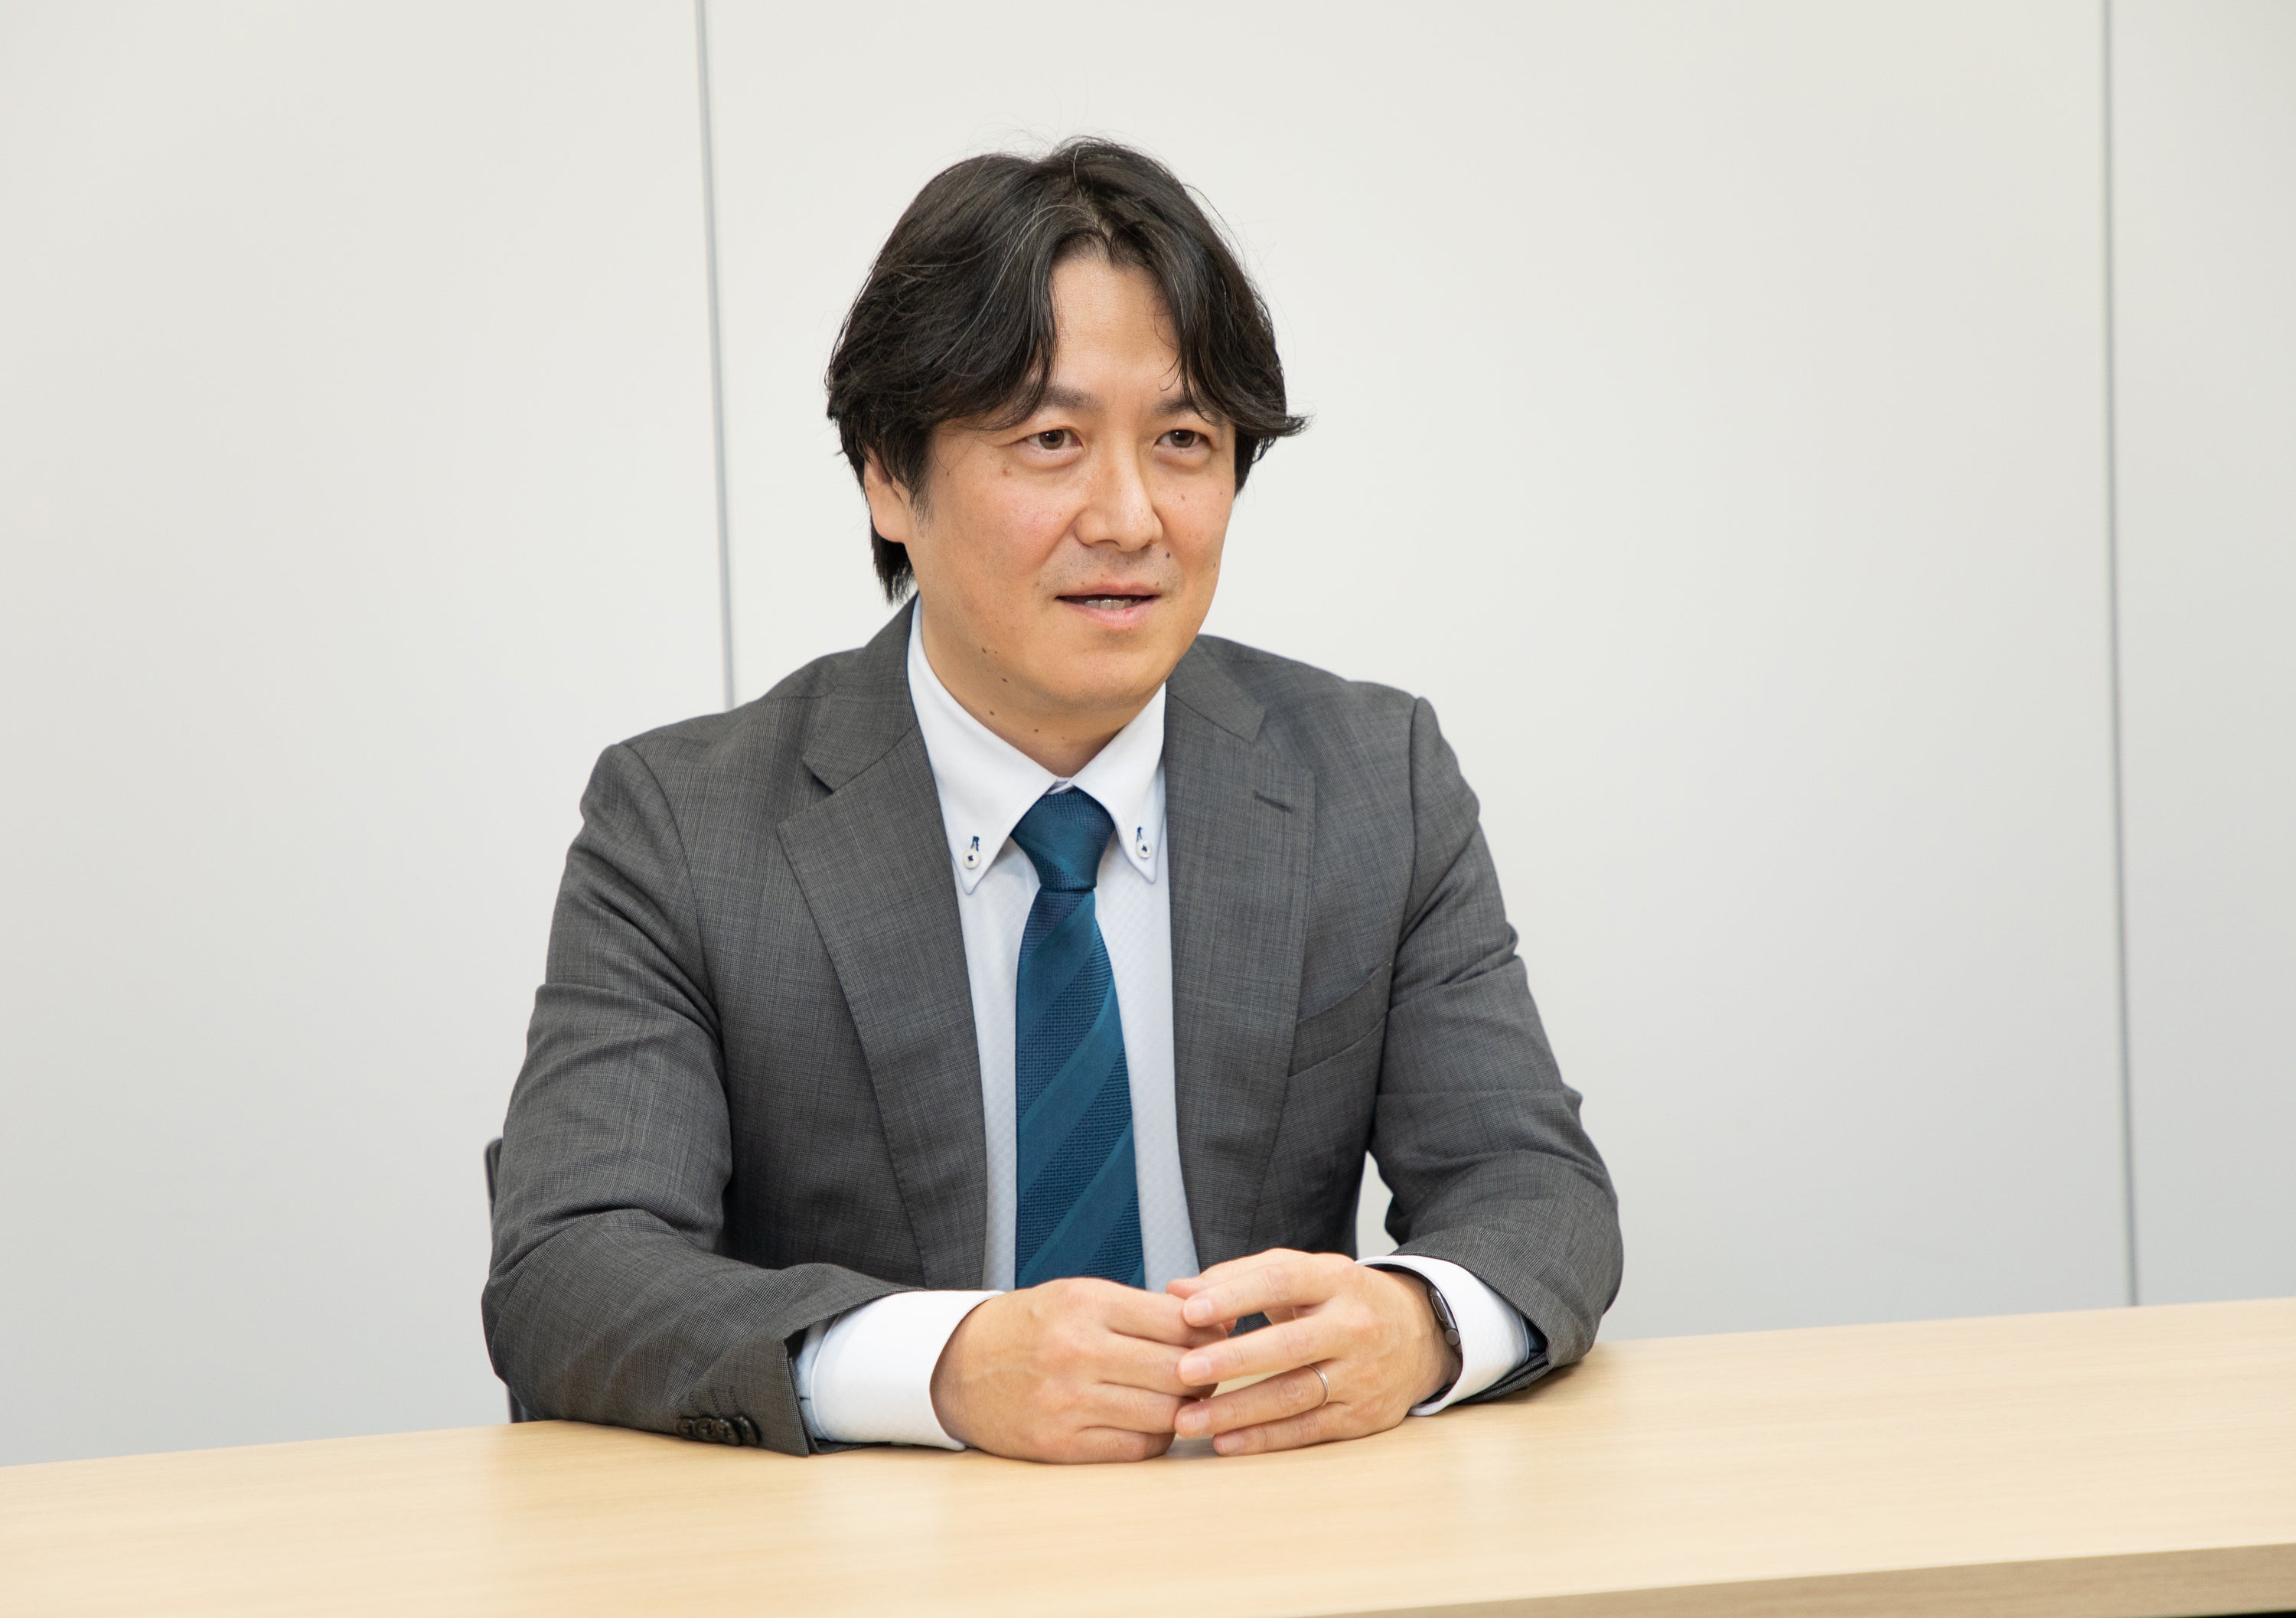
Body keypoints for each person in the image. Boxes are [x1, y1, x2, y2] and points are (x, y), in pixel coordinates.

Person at [484, 139, 1621, 1463]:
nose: (1130, 517)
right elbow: (572, 1267)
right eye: (1051, 441)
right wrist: (942, 1365)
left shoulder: (1373, 778)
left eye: (1183, 441)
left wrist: (1417, 1324)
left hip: (1270, 1519)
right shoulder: (684, 825)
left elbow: (1532, 1186)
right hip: (874, 1541)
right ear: (889, 475)